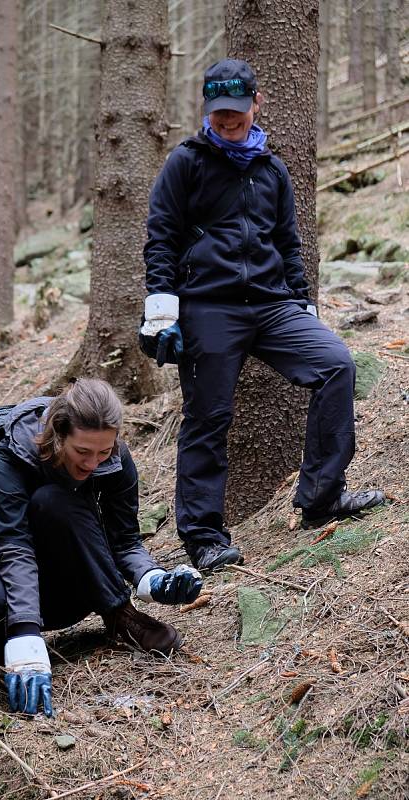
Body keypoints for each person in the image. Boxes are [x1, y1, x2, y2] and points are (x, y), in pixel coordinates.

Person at [139, 58, 385, 574]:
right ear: (205, 110)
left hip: (273, 305)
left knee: (337, 364)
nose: (227, 122)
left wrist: (302, 301)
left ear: (257, 103)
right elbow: (161, 236)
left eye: (235, 112)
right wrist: (161, 310)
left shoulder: (272, 170)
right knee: (209, 416)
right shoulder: (186, 163)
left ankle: (321, 496)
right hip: (208, 305)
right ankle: (204, 537)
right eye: (217, 114)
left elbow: (288, 243)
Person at [0, 378, 202, 717]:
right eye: (82, 452)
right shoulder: (10, 456)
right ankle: (10, 655)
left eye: (104, 452)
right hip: (10, 589)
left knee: (57, 502)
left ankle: (121, 618)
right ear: (58, 433)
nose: (93, 464)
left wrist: (152, 578)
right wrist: (25, 636)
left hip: (76, 587)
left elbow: (124, 539)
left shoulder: (116, 460)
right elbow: (14, 547)